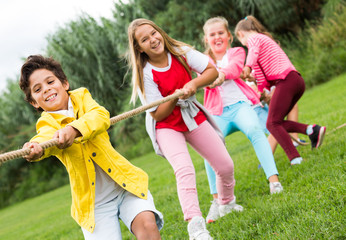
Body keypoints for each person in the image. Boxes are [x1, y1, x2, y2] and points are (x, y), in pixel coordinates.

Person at [19, 55, 163, 240]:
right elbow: (44, 137)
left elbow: (99, 115)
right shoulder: (47, 123)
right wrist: (36, 147)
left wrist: (74, 130)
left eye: (50, 82)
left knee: (147, 227)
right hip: (95, 206)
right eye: (37, 89)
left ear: (64, 83)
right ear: (34, 102)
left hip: (126, 187)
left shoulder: (82, 97)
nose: (46, 89)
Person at [127, 18, 243, 240]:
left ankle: (226, 204)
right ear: (138, 48)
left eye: (153, 33)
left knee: (225, 164)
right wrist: (175, 96)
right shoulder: (145, 73)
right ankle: (196, 227)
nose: (152, 40)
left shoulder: (180, 52)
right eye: (144, 39)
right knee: (185, 170)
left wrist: (193, 85)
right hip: (166, 125)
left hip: (191, 115)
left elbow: (211, 70)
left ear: (159, 31)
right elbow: (157, 113)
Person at [202, 16, 283, 223]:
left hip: (240, 106)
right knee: (208, 147)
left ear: (229, 36)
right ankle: (216, 200)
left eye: (221, 33)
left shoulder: (237, 52)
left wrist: (219, 75)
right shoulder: (203, 60)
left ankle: (274, 181)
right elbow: (200, 77)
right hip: (217, 113)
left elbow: (236, 69)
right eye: (212, 35)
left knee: (255, 130)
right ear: (206, 40)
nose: (217, 37)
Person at [235, 15, 326, 166]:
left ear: (241, 34)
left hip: (286, 81)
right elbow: (261, 76)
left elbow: (252, 54)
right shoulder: (263, 40)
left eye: (241, 42)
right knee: (276, 122)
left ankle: (295, 158)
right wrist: (255, 81)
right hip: (296, 81)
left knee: (271, 123)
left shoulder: (254, 38)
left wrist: (246, 67)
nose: (244, 45)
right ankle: (312, 130)